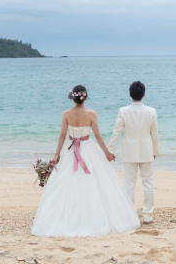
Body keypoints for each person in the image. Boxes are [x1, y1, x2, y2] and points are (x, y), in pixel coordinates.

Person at [30, 85, 141, 237]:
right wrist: (107, 153)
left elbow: (62, 135)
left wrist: (56, 155)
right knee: (95, 182)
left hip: (69, 149)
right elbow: (98, 135)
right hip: (88, 148)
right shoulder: (91, 113)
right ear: (85, 97)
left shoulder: (66, 113)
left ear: (72, 97)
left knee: (65, 183)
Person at [107, 80, 159, 224]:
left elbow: (116, 132)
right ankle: (148, 215)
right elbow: (154, 134)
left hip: (129, 152)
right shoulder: (151, 111)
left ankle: (129, 215)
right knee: (148, 184)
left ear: (130, 94)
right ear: (144, 94)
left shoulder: (123, 111)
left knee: (129, 184)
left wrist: (110, 150)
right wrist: (155, 150)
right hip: (147, 151)